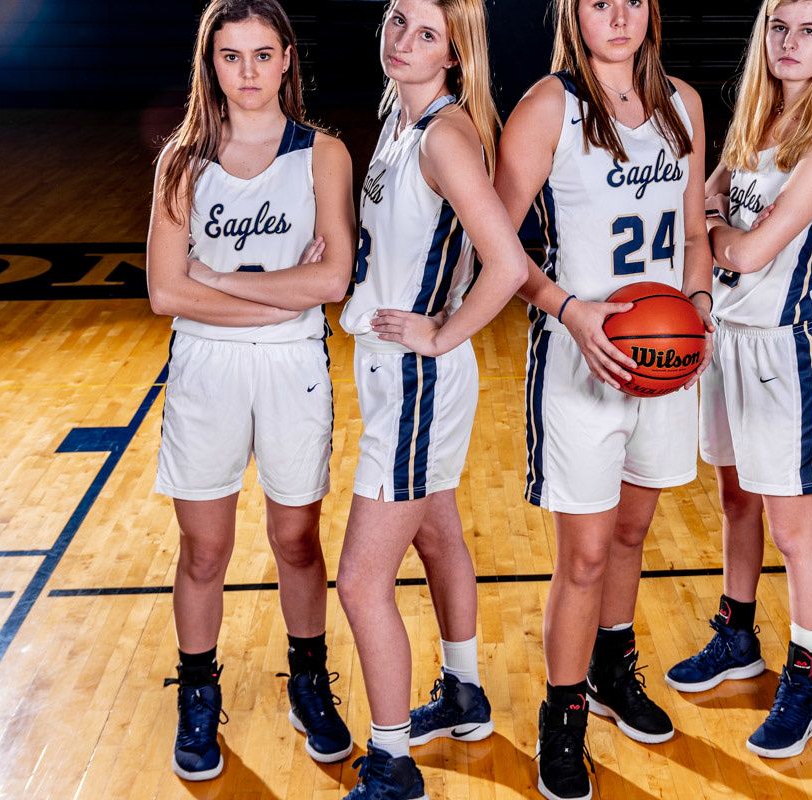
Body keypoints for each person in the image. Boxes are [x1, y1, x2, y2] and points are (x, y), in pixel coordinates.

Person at [494, 0, 712, 796]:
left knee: (631, 531)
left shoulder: (682, 103)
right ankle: (563, 714)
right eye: (597, 1)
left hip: (664, 355)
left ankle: (614, 670)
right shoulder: (548, 105)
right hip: (581, 356)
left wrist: (702, 303)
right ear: (572, 14)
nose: (616, 14)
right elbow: (499, 240)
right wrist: (567, 309)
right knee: (582, 554)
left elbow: (693, 234)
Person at [146, 0, 355, 781]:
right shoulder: (182, 161)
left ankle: (309, 681)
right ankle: (197, 697)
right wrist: (278, 287)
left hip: (291, 365)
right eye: (232, 57)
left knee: (297, 540)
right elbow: (165, 294)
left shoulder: (322, 154)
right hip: (206, 368)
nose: (248, 73)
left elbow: (332, 280)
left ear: (289, 58)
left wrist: (215, 275)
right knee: (206, 548)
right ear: (212, 65)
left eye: (263, 55)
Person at [333, 0, 527, 796]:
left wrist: (443, 334)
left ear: (453, 54)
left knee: (358, 580)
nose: (401, 41)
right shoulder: (398, 112)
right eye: (395, 20)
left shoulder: (444, 135)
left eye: (424, 34)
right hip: (395, 372)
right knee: (438, 537)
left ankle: (392, 761)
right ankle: (464, 692)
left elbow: (507, 265)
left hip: (415, 378)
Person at [664, 0, 812, 759]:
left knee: (794, 528)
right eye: (778, 27)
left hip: (789, 351)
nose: (789, 42)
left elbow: (743, 250)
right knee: (733, 498)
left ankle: (807, 678)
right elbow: (709, 199)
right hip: (729, 341)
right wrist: (718, 236)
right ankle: (738, 634)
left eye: (808, 30)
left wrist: (714, 238)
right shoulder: (757, 120)